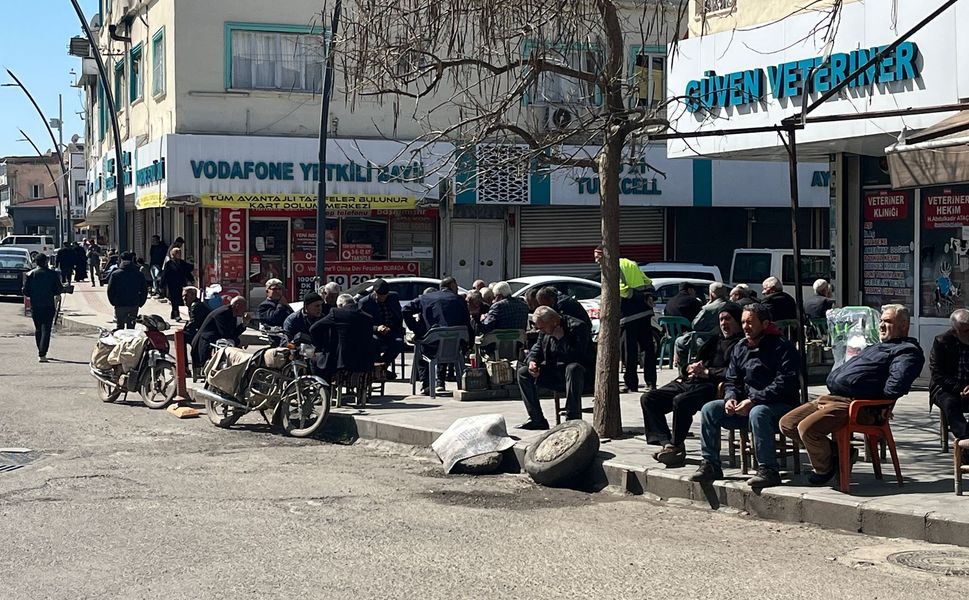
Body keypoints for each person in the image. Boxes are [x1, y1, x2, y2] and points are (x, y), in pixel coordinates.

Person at [780, 304, 923, 485]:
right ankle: (840, 453)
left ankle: (824, 469)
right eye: (880, 321)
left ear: (904, 326)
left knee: (807, 429)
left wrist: (872, 398)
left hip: (857, 404)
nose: (881, 325)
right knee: (787, 424)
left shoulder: (906, 351)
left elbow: (895, 386)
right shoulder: (878, 347)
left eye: (888, 322)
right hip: (834, 397)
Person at [690, 303, 800, 489]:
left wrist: (754, 399)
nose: (745, 327)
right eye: (743, 322)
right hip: (745, 407)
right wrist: (730, 398)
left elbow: (784, 383)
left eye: (750, 322)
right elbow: (732, 379)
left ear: (765, 324)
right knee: (710, 409)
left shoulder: (782, 347)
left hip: (778, 408)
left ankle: (768, 470)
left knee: (759, 412)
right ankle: (711, 464)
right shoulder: (740, 347)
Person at [642, 304, 744, 467]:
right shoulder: (715, 340)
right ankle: (666, 443)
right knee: (649, 398)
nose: (724, 323)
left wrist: (707, 372)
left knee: (681, 401)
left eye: (728, 319)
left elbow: (734, 373)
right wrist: (688, 367)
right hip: (691, 380)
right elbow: (697, 359)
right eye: (721, 320)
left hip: (712, 385)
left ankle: (675, 445)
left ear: (738, 321)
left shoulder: (741, 345)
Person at [516, 306, 594, 430]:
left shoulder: (577, 327)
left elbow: (579, 356)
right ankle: (537, 419)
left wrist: (561, 340)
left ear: (554, 321)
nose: (541, 330)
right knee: (523, 373)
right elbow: (537, 347)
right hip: (554, 372)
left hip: (579, 376)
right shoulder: (545, 331)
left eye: (542, 327)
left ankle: (572, 418)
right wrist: (532, 362)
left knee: (573, 368)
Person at [594, 245, 655, 393]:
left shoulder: (611, 268)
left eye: (598, 257)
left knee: (629, 351)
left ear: (606, 255)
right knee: (648, 349)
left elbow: (622, 291)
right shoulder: (630, 263)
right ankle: (651, 383)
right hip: (645, 312)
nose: (596, 261)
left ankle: (631, 383)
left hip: (628, 315)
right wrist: (645, 297)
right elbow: (648, 282)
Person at [402, 276, 471, 395]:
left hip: (432, 345)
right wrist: (467, 345)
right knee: (445, 341)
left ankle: (426, 384)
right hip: (454, 347)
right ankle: (442, 382)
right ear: (453, 286)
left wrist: (418, 330)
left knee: (420, 349)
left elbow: (405, 310)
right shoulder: (460, 300)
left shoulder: (426, 298)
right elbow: (467, 324)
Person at [931, 309, 969, 461]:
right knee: (950, 403)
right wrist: (959, 388)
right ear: (955, 332)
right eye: (966, 331)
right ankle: (966, 443)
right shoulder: (942, 342)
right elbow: (937, 374)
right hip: (947, 388)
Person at [310, 293, 375, 380]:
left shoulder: (336, 313)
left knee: (315, 361)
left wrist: (321, 346)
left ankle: (325, 389)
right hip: (364, 363)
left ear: (340, 305)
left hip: (343, 363)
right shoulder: (368, 317)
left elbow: (314, 329)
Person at [674, 282, 730, 377]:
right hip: (726, 338)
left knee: (679, 342)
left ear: (711, 294)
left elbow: (695, 325)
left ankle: (684, 372)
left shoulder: (708, 308)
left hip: (706, 339)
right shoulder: (734, 306)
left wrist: (708, 304)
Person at [357, 279, 404, 377]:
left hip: (390, 330)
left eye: (385, 295)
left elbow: (398, 316)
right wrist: (376, 328)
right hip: (374, 332)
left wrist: (392, 327)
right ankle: (378, 370)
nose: (382, 297)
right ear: (374, 292)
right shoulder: (365, 302)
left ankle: (382, 367)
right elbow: (362, 323)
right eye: (380, 295)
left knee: (398, 343)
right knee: (375, 342)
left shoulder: (393, 298)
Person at [22, 253, 64, 363]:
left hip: (35, 305)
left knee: (38, 329)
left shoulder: (30, 274)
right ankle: (42, 353)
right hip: (49, 305)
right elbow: (58, 289)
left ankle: (40, 351)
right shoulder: (52, 274)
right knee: (46, 329)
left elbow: (26, 292)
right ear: (45, 262)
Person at [192, 296, 248, 367]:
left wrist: (244, 324)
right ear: (237, 306)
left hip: (217, 343)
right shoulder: (223, 313)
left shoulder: (232, 314)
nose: (245, 310)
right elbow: (225, 334)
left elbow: (233, 333)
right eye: (244, 307)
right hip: (206, 343)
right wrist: (239, 342)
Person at [106, 251, 149, 329]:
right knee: (131, 327)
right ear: (132, 259)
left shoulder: (116, 274)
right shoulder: (138, 274)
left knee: (119, 326)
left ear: (121, 260)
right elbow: (144, 290)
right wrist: (141, 302)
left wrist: (113, 302)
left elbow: (110, 290)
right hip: (134, 303)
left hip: (120, 303)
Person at [181, 286, 212, 374]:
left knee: (181, 337)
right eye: (183, 296)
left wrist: (183, 330)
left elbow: (193, 323)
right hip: (200, 331)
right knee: (182, 336)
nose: (184, 299)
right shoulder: (193, 305)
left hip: (205, 333)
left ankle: (185, 367)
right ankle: (185, 366)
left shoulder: (196, 305)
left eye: (186, 296)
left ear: (194, 295)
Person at [160, 247, 195, 321]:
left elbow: (187, 271)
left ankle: (173, 313)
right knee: (174, 299)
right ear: (173, 254)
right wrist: (162, 285)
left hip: (181, 284)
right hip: (172, 284)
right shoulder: (169, 264)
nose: (179, 254)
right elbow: (164, 275)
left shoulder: (182, 263)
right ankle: (176, 314)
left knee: (180, 299)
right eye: (177, 253)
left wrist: (191, 279)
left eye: (180, 253)